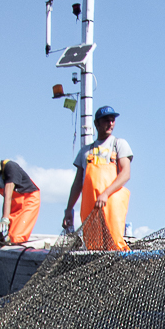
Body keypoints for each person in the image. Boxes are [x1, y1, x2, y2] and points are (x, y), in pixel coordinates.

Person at [62, 105, 132, 251]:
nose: (110, 123)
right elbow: (77, 184)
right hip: (91, 207)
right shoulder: (85, 152)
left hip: (111, 204)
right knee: (93, 247)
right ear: (97, 124)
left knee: (114, 243)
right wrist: (69, 209)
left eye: (112, 120)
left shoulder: (119, 144)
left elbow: (125, 174)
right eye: (106, 120)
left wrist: (106, 194)